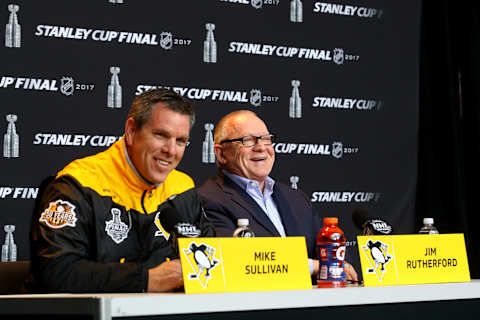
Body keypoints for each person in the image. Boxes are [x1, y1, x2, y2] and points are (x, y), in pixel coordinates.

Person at [29, 89, 215, 293]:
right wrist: (145, 280)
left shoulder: (182, 187)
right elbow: (56, 271)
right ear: (131, 131)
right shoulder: (77, 184)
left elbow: (213, 258)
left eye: (180, 141)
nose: (171, 151)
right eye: (161, 135)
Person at [197, 110, 357, 281]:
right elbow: (237, 262)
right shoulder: (207, 200)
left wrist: (341, 264)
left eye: (266, 139)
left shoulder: (297, 199)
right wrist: (314, 267)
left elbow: (332, 251)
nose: (261, 147)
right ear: (221, 154)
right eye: (248, 140)